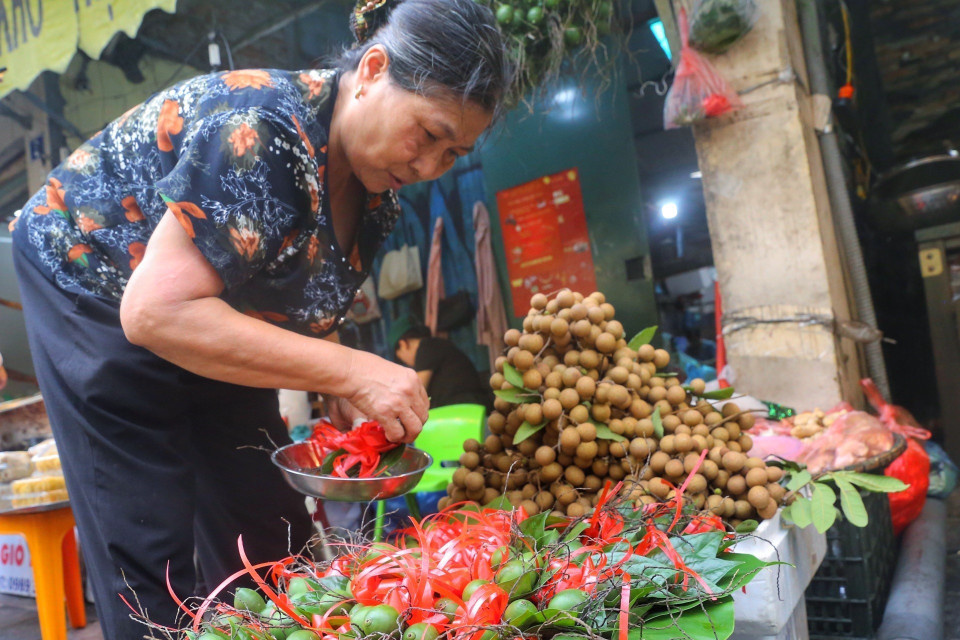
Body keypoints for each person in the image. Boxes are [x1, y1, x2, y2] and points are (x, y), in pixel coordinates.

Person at [8, 0, 509, 636]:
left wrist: (337, 389)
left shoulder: (377, 197)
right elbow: (156, 312)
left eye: (452, 153)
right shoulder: (265, 131)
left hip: (206, 304)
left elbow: (299, 307)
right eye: (430, 133)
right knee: (145, 527)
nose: (429, 165)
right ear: (374, 70)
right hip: (92, 273)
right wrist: (353, 370)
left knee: (266, 518)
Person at [390, 317, 491, 409]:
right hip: (466, 407)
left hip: (467, 409)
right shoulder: (435, 345)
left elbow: (416, 390)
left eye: (401, 359)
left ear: (403, 344)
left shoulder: (426, 347)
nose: (408, 364)